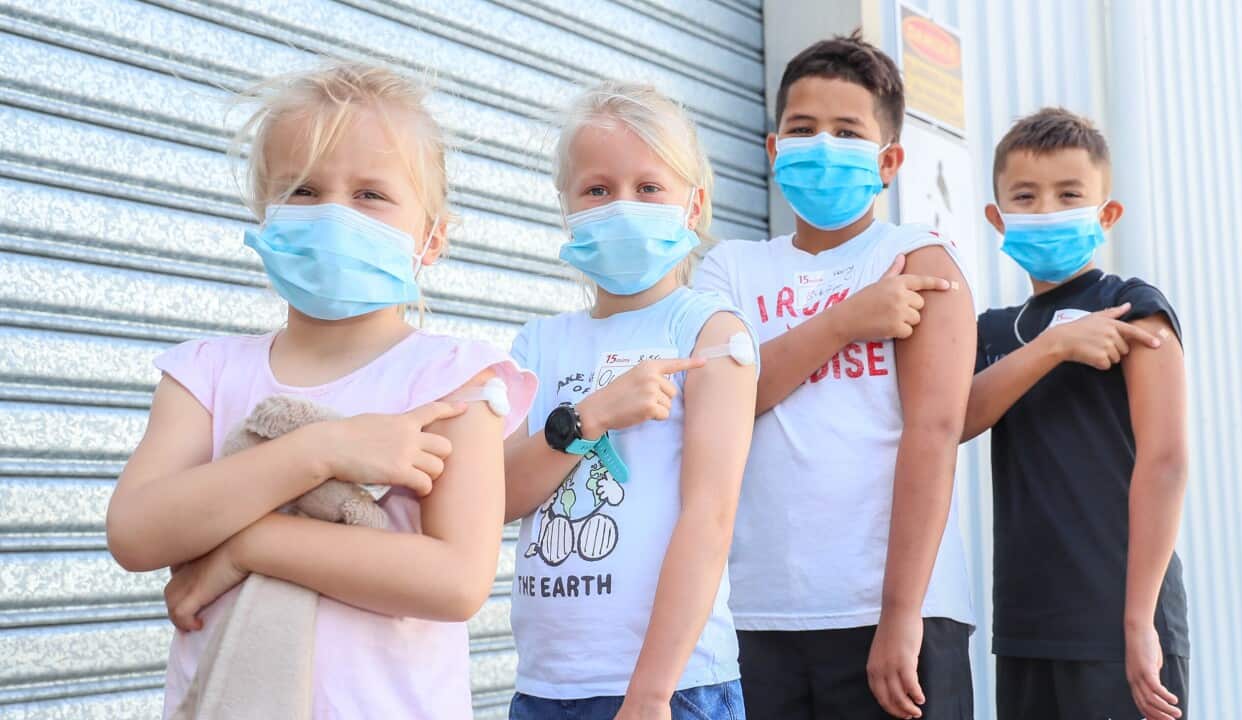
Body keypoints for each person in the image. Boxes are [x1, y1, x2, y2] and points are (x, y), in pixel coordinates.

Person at [104, 62, 535, 719]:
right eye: (303, 190)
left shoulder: (457, 379)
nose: (334, 213)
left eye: (370, 195)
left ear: (433, 237)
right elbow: (136, 532)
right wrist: (326, 452)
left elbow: (455, 582)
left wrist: (252, 546)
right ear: (266, 216)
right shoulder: (207, 373)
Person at [694, 30, 975, 720]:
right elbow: (720, 404)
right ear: (773, 148)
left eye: (847, 131)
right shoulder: (729, 269)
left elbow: (934, 436)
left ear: (889, 161)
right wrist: (847, 321)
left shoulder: (922, 260)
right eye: (802, 128)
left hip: (890, 612)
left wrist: (901, 614)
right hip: (756, 615)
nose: (821, 145)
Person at [502, 81, 758, 720]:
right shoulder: (538, 343)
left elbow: (710, 518)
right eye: (597, 189)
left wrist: (651, 693)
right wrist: (593, 416)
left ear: (692, 205)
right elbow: (499, 496)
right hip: (545, 689)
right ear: (567, 205)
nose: (622, 205)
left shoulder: (710, 333)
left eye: (649, 188)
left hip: (670, 691)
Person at [963, 107, 1190, 720]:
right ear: (998, 217)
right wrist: (1055, 347)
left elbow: (1166, 463)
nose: (1047, 212)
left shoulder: (1133, 308)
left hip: (1119, 622)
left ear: (1106, 213)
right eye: (1026, 197)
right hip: (1027, 624)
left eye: (1069, 195)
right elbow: (956, 420)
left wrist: (1139, 622)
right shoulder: (991, 332)